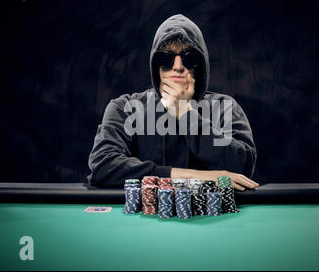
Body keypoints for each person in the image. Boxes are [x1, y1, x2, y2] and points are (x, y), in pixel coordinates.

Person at [88, 14, 258, 191]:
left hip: (211, 218)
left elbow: (243, 166)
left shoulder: (224, 107)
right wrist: (195, 176)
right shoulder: (125, 107)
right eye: (165, 59)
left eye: (189, 58)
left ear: (200, 66)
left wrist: (187, 114)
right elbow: (103, 166)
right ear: (155, 65)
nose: (177, 66)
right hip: (144, 217)